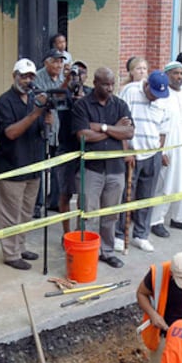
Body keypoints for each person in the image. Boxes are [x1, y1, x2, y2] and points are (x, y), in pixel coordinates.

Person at [0, 58, 52, 271]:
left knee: (26, 212)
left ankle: (20, 246)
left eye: (31, 77)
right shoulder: (5, 101)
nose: (27, 80)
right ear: (14, 76)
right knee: (10, 214)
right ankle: (11, 253)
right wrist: (36, 113)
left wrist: (47, 120)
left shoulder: (36, 99)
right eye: (23, 76)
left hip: (33, 164)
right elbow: (10, 132)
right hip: (10, 167)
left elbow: (42, 132)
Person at [72, 67, 134, 268]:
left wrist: (102, 127)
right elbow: (83, 136)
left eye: (112, 84)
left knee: (110, 214)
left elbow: (129, 133)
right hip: (91, 168)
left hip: (116, 169)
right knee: (87, 212)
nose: (109, 88)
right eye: (105, 84)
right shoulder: (82, 106)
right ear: (96, 83)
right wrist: (115, 129)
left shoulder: (120, 105)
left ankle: (106, 252)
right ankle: (84, 249)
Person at [114, 70, 169, 253]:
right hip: (132, 153)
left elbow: (163, 131)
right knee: (126, 196)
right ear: (146, 85)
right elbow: (120, 123)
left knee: (147, 196)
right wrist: (125, 151)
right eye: (152, 93)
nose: (155, 98)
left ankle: (141, 235)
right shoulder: (130, 91)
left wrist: (159, 152)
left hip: (152, 154)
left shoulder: (163, 100)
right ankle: (120, 234)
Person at [149, 62, 182, 237]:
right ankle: (156, 221)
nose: (179, 77)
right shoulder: (161, 97)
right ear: (168, 75)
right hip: (169, 146)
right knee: (165, 183)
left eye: (181, 74)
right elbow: (157, 127)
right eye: (175, 73)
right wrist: (161, 152)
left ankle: (179, 218)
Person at [56, 60, 91, 235]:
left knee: (84, 195)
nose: (79, 76)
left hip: (86, 149)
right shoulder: (65, 91)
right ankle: (66, 232)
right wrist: (67, 80)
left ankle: (79, 231)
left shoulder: (90, 94)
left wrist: (83, 100)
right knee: (65, 193)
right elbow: (57, 99)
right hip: (66, 147)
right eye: (76, 73)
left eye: (82, 73)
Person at [34, 48, 69, 216]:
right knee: (39, 168)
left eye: (61, 61)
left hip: (60, 130)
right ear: (46, 62)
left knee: (58, 168)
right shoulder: (38, 77)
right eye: (55, 61)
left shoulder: (65, 77)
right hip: (42, 128)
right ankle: (37, 204)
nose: (59, 65)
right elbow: (48, 99)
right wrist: (66, 83)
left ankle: (54, 201)